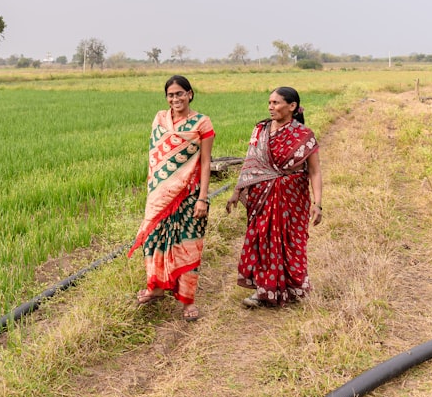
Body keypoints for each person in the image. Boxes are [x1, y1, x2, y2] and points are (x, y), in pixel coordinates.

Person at [225, 87, 322, 308]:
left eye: (276, 103)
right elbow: (250, 163)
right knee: (263, 240)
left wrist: (318, 204)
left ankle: (293, 288)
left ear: (292, 106)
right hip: (262, 196)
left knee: (289, 241)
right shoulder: (260, 130)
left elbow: (315, 171)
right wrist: (237, 191)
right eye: (269, 103)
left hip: (292, 197)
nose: (271, 107)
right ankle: (264, 290)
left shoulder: (304, 135)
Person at [128, 75, 214, 322]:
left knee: (187, 244)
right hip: (159, 194)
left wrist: (203, 198)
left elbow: (206, 162)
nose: (175, 98)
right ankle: (155, 287)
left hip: (189, 194)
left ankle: (187, 301)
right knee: (153, 239)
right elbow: (156, 158)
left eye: (179, 93)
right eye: (170, 95)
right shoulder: (160, 119)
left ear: (190, 94)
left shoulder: (202, 123)